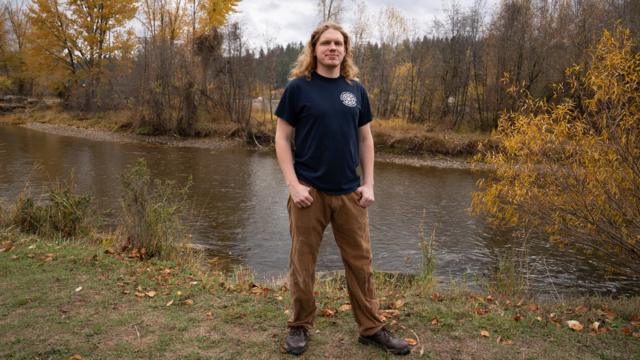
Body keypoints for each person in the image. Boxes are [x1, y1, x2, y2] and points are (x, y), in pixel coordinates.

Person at [274, 21, 411, 356]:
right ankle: (299, 326)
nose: (332, 48)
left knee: (360, 263)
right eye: (326, 43)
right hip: (309, 192)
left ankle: (371, 328)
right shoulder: (298, 89)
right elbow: (281, 138)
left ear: (345, 50)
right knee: (303, 263)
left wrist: (369, 183)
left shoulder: (356, 90)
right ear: (314, 49)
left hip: (350, 193)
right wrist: (293, 185)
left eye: (338, 43)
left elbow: (366, 139)